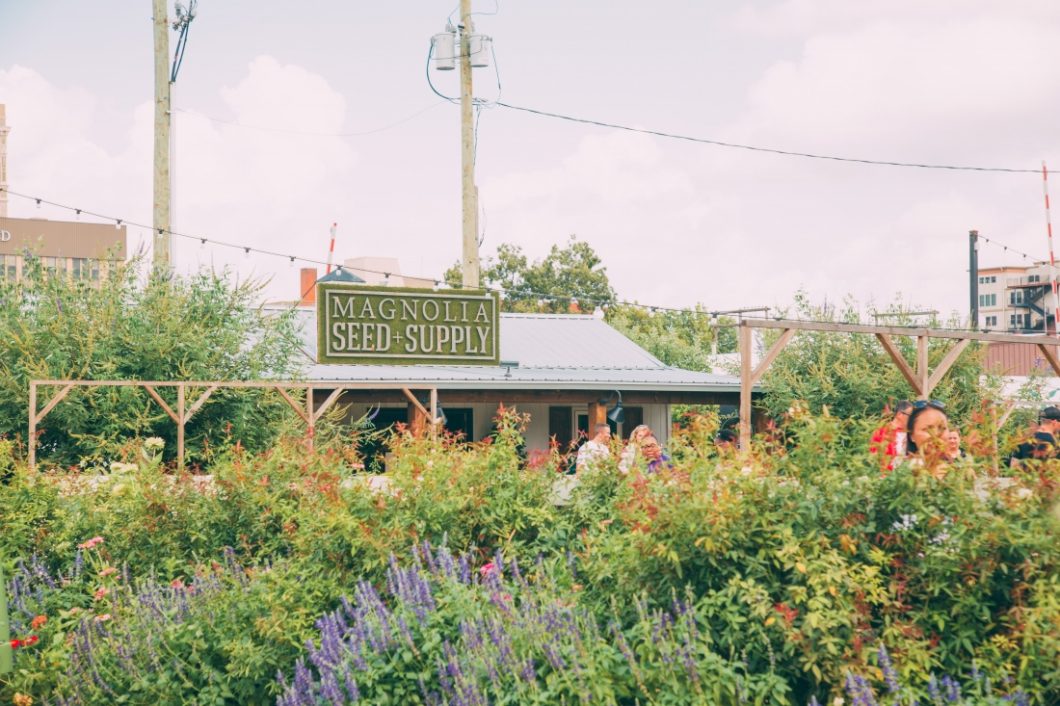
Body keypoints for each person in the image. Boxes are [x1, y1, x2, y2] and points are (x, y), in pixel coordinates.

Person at [906, 400, 960, 474]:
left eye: (942, 428)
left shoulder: (959, 468)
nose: (936, 435)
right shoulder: (903, 474)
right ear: (912, 435)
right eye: (928, 429)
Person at [871, 400, 913, 472]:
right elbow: (873, 457)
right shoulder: (882, 432)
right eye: (911, 416)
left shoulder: (911, 435)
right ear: (900, 414)